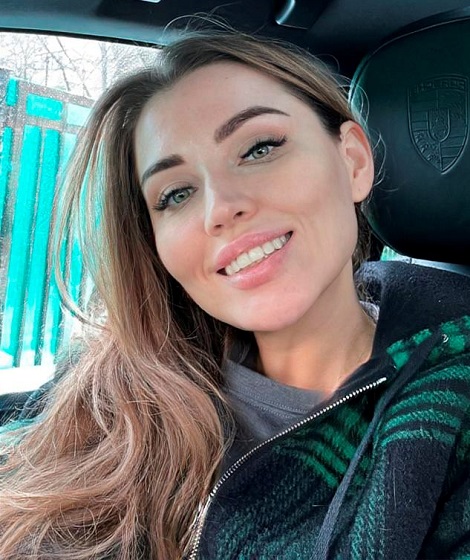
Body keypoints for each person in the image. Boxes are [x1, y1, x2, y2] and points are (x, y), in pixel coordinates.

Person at [0, 30, 469, 560]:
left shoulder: (450, 406)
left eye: (259, 148)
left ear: (353, 162)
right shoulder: (110, 392)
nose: (220, 208)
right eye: (176, 193)